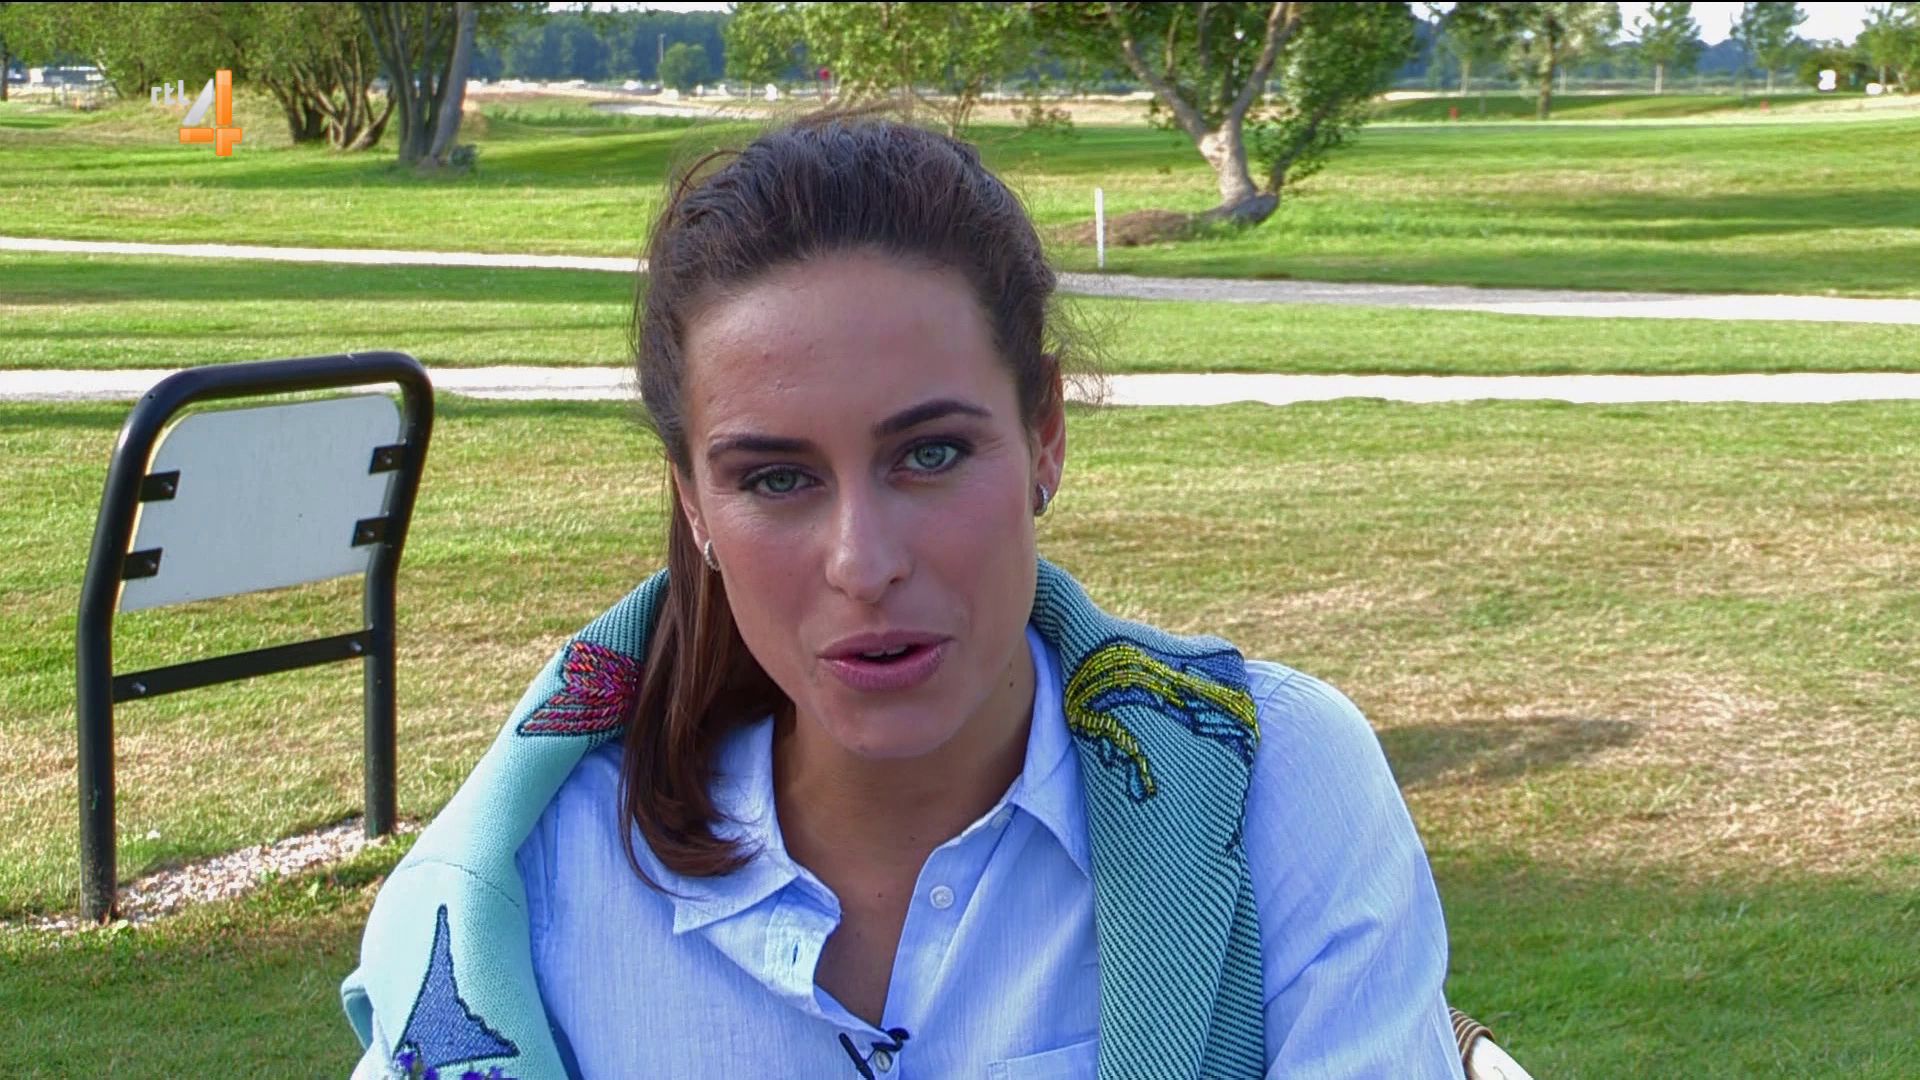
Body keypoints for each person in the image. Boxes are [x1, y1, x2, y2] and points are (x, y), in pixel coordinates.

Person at [342, 116, 1465, 1080]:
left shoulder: (1275, 784)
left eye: (929, 455)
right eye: (775, 479)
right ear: (693, 503)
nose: (863, 562)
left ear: (1045, 433)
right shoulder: (527, 885)